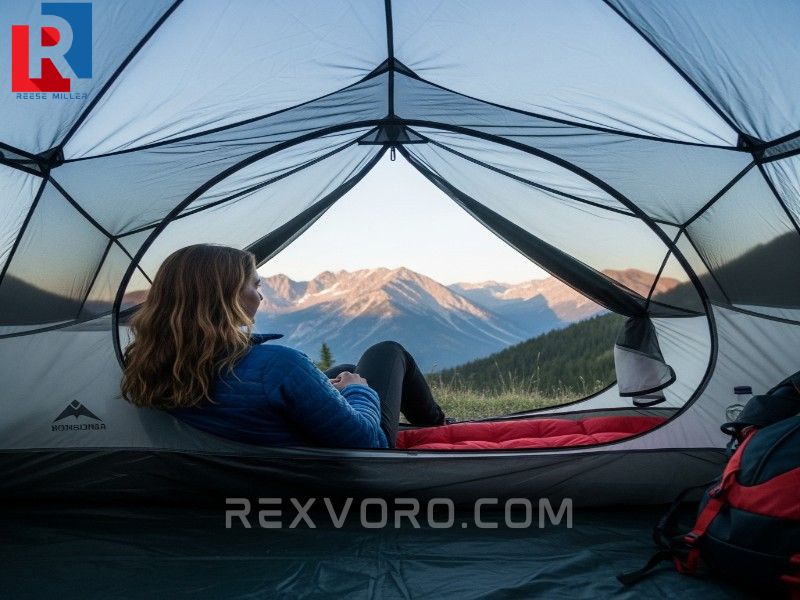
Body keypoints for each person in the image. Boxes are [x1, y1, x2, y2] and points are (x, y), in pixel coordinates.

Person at [120, 244, 446, 448]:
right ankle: (439, 427)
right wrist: (357, 391)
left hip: (253, 449)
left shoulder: (159, 362)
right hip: (341, 468)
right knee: (386, 352)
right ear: (228, 296)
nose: (260, 296)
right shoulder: (279, 365)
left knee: (345, 370)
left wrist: (329, 388)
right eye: (254, 285)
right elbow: (368, 444)